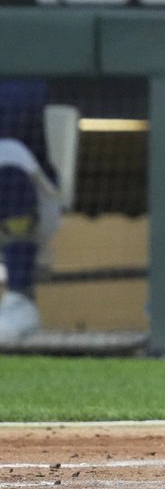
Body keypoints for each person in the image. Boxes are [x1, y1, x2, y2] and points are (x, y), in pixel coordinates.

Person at [0, 79, 60, 345]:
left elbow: (16, 119)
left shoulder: (18, 77)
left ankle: (20, 299)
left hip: (33, 197)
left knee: (7, 155)